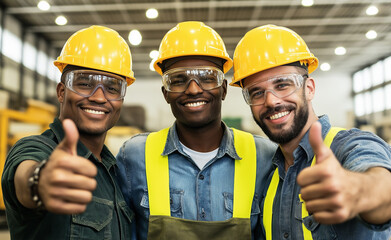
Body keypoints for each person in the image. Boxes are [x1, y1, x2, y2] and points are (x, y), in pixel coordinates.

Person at [116, 21, 277, 240]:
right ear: (165, 93)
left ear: (223, 89)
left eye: (207, 77)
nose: (193, 89)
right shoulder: (134, 157)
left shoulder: (264, 156)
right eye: (178, 80)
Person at [230, 24, 391, 239]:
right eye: (257, 92)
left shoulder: (349, 146)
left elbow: (381, 185)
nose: (271, 101)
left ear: (309, 88)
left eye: (283, 85)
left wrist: (357, 190)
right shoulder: (268, 177)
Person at [2, 25, 135, 239]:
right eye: (84, 83)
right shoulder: (38, 148)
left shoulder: (114, 171)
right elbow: (27, 176)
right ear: (61, 92)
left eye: (112, 88)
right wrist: (41, 182)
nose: (99, 97)